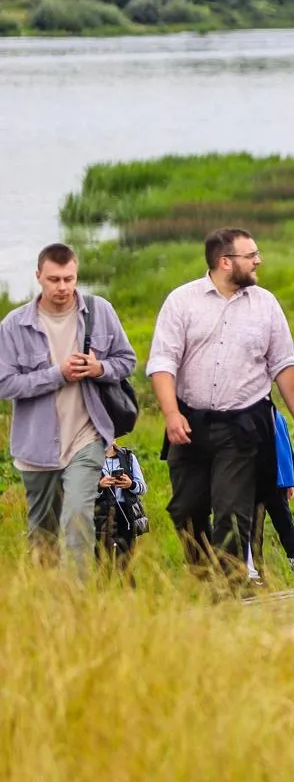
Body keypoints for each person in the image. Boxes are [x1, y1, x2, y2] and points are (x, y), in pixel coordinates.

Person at [148, 228, 294, 585]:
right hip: (189, 422)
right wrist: (171, 413)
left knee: (232, 514)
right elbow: (162, 363)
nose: (258, 261)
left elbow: (283, 365)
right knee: (186, 511)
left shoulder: (265, 303)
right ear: (225, 262)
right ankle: (206, 576)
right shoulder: (182, 302)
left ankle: (231, 591)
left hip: (242, 426)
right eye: (251, 255)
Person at [1, 244, 138, 573]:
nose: (62, 287)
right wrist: (57, 375)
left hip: (87, 436)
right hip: (36, 446)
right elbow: (5, 384)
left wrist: (98, 368)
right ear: (38, 277)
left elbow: (127, 361)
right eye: (54, 280)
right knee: (43, 532)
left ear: (76, 276)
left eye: (69, 279)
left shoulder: (99, 311)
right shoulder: (14, 325)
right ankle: (49, 604)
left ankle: (79, 598)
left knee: (78, 517)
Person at [250, 407, 294, 582]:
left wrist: (290, 480)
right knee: (257, 531)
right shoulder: (269, 417)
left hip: (276, 484)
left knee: (285, 527)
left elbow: (286, 452)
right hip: (261, 485)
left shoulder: (276, 418)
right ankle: (258, 572)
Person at [93, 443, 148, 574]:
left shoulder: (128, 457)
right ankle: (104, 590)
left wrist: (130, 484)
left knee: (127, 559)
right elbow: (84, 493)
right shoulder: (90, 458)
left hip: (126, 513)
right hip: (101, 513)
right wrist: (99, 485)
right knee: (103, 558)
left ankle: (129, 591)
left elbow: (143, 488)